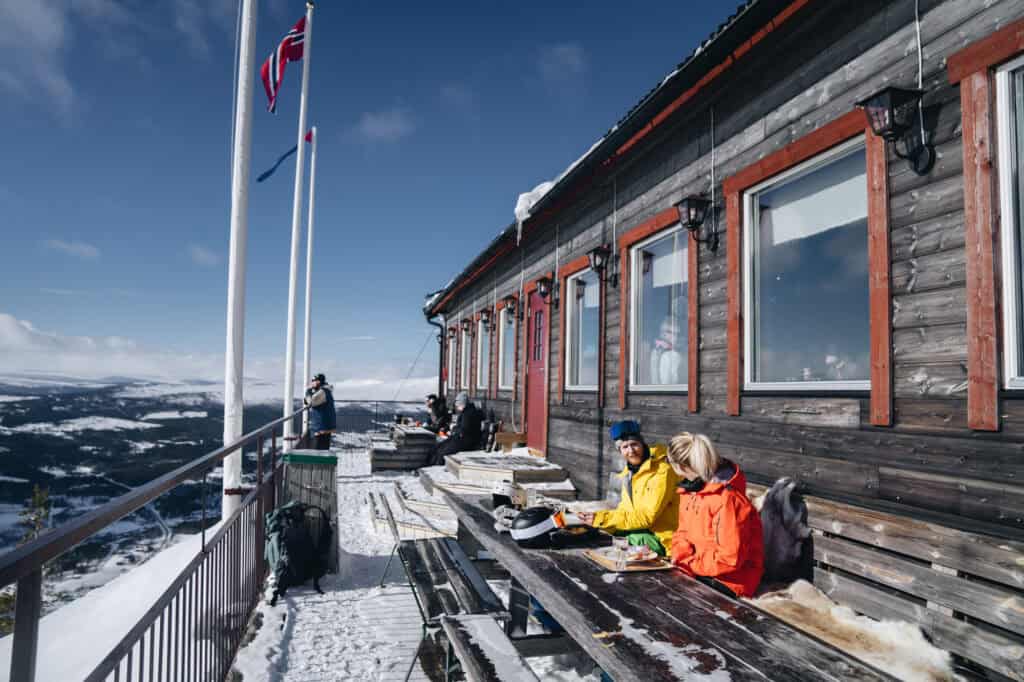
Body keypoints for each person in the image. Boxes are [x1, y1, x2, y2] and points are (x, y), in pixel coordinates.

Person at [666, 432, 764, 598]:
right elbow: (682, 533)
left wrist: (690, 563)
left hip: (731, 582)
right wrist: (681, 555)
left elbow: (730, 559)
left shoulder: (728, 499)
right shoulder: (691, 491)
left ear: (681, 467)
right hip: (700, 570)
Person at [576, 420, 679, 556]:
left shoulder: (662, 471)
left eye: (634, 444)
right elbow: (625, 510)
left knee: (618, 543)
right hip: (642, 530)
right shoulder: (630, 472)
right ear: (620, 451)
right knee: (598, 533)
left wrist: (603, 519)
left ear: (642, 443)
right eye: (625, 447)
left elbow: (647, 517)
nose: (631, 451)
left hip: (663, 539)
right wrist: (597, 520)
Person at [428, 392, 483, 465]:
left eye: (458, 405)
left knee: (443, 452)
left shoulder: (468, 414)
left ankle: (435, 466)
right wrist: (453, 429)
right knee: (438, 447)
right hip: (460, 437)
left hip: (466, 440)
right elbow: (461, 427)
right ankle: (430, 464)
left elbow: (464, 430)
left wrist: (454, 429)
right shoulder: (466, 412)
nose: (457, 407)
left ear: (462, 403)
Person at [302, 373, 336, 450]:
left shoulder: (323, 392)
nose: (311, 383)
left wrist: (308, 392)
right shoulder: (325, 391)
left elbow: (310, 402)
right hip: (323, 425)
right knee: (322, 450)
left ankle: (320, 462)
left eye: (313, 381)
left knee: (319, 452)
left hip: (322, 427)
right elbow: (308, 401)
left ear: (318, 382)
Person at [649, 316, 684, 385]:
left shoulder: (672, 354)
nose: (675, 337)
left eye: (676, 334)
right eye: (670, 333)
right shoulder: (661, 353)